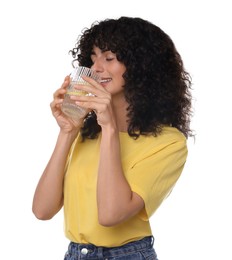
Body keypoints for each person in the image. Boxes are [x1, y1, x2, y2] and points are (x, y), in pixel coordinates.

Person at [32, 16, 193, 259]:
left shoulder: (169, 143)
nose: (96, 67)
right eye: (93, 56)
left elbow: (110, 215)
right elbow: (42, 210)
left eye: (109, 58)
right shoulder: (86, 132)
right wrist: (67, 132)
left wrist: (109, 129)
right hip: (75, 254)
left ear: (141, 67)